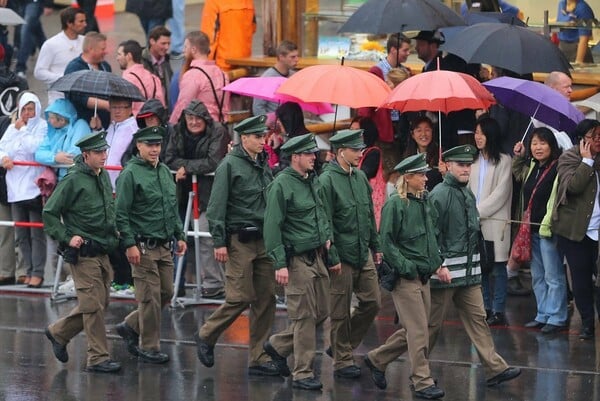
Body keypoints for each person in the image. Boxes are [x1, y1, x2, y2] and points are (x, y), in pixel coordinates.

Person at [428, 145, 521, 386]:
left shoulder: (467, 193)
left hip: (469, 275)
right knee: (429, 327)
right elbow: (430, 234)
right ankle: (389, 362)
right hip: (446, 275)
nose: (466, 168)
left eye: (468, 164)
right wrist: (438, 265)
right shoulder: (439, 194)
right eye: (460, 164)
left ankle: (494, 369)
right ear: (447, 165)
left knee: (479, 320)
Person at [194, 115, 279, 376]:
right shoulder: (229, 165)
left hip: (263, 238)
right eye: (256, 137)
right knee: (240, 296)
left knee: (266, 298)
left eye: (262, 136)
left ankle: (259, 357)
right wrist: (219, 241)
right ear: (244, 138)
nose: (262, 141)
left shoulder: (262, 164)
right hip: (239, 240)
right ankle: (207, 334)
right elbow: (217, 206)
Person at [262, 133, 341, 390]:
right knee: (304, 316)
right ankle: (303, 373)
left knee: (322, 311)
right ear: (295, 156)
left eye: (314, 154)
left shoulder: (312, 180)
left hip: (317, 255)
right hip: (296, 259)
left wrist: (327, 238)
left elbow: (322, 213)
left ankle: (278, 345)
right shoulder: (282, 185)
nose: (314, 159)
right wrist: (279, 263)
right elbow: (272, 226)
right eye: (309, 154)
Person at [364, 153, 444, 400]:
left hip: (423, 275)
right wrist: (406, 267)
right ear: (407, 177)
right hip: (406, 277)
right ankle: (422, 380)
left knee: (419, 328)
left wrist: (436, 264)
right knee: (419, 330)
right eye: (420, 174)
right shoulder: (395, 205)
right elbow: (386, 243)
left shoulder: (424, 201)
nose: (425, 178)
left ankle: (378, 359)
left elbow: (431, 236)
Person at [43, 131, 121, 373]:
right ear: (85, 155)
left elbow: (109, 210)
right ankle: (97, 357)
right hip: (83, 252)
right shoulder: (73, 180)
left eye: (104, 151)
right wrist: (68, 237)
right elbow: (49, 213)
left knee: (101, 302)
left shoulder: (103, 176)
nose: (103, 156)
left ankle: (58, 332)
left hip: (102, 251)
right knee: (93, 305)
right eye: (98, 152)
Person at [114, 126, 187, 364]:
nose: (155, 149)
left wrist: (180, 235)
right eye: (149, 145)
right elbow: (121, 213)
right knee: (150, 297)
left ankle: (130, 325)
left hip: (164, 244)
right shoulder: (130, 174)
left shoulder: (165, 171)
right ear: (139, 146)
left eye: (158, 145)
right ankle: (149, 347)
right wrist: (129, 244)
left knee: (166, 291)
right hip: (142, 244)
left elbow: (171, 207)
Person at [319, 129, 382, 380]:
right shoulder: (327, 180)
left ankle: (340, 346)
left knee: (373, 301)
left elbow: (368, 216)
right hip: (341, 255)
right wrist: (331, 255)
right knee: (340, 310)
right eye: (355, 150)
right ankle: (342, 361)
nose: (360, 154)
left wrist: (376, 247)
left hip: (362, 251)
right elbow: (325, 221)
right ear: (340, 151)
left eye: (360, 149)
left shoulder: (359, 179)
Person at [164, 100, 229, 298]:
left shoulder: (218, 131)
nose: (193, 122)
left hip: (209, 193)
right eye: (190, 118)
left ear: (205, 118)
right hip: (182, 192)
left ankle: (213, 284)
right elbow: (169, 158)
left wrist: (187, 168)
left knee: (206, 236)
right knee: (179, 238)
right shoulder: (177, 130)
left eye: (197, 118)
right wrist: (186, 166)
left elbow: (214, 161)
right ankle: (177, 283)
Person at [513, 127, 567, 334]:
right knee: (537, 275)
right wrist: (519, 157)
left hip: (549, 230)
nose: (537, 147)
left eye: (542, 143)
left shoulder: (558, 167)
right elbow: (517, 175)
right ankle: (543, 313)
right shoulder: (533, 166)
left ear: (551, 146)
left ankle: (557, 316)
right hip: (531, 230)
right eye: (534, 143)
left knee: (553, 276)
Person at [552, 119, 600, 340]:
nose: (597, 140)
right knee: (580, 281)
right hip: (575, 232)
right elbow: (573, 187)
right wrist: (587, 162)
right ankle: (588, 324)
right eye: (593, 136)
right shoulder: (569, 157)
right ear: (582, 140)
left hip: (597, 232)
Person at [468, 117, 512, 326]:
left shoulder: (504, 160)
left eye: (482, 133)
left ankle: (498, 309)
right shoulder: (473, 161)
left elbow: (501, 194)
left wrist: (476, 211)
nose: (478, 137)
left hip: (495, 222)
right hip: (476, 222)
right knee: (482, 268)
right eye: (476, 132)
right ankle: (485, 307)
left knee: (498, 267)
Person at [0, 92, 47, 288]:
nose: (27, 113)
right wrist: (4, 158)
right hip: (15, 188)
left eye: (31, 109)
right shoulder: (13, 127)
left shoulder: (42, 127)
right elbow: (3, 148)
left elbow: (34, 149)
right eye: (24, 109)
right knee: (21, 234)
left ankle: (38, 271)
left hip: (34, 187)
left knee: (36, 233)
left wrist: (23, 131)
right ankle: (27, 270)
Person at [358, 34, 411, 179]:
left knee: (401, 170)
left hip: (402, 128)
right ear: (393, 49)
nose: (408, 53)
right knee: (390, 172)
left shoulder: (406, 71)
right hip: (383, 131)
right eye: (405, 50)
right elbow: (367, 106)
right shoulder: (377, 72)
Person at [170, 31, 230, 124]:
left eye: (185, 47)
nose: (183, 50)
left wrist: (171, 125)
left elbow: (183, 106)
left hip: (200, 130)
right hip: (220, 128)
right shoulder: (222, 74)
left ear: (193, 50)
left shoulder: (192, 75)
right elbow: (225, 108)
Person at [34, 7, 86, 106]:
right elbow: (39, 72)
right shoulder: (51, 44)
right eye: (81, 21)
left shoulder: (85, 41)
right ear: (69, 23)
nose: (85, 24)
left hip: (82, 99)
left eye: (85, 21)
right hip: (59, 100)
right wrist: (63, 77)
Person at [64, 32, 111, 130]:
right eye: (102, 49)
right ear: (90, 49)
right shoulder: (74, 68)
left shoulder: (105, 66)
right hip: (82, 125)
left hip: (105, 125)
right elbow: (77, 97)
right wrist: (107, 105)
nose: (106, 52)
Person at [34, 98, 90, 180]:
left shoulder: (80, 125)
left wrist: (51, 159)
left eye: (51, 118)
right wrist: (55, 157)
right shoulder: (53, 132)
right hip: (60, 182)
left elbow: (74, 156)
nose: (48, 120)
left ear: (62, 120)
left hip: (76, 180)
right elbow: (38, 154)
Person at [200, 0, 256, 71]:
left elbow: (208, 40)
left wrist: (205, 68)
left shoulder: (213, 2)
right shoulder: (248, 2)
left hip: (221, 66)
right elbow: (253, 28)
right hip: (245, 64)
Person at [116, 40, 165, 116]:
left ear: (129, 56)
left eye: (119, 54)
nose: (117, 58)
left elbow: (123, 107)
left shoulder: (127, 79)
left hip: (134, 123)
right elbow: (161, 104)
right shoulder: (153, 78)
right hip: (151, 121)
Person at [252, 40, 299, 117]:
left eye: (297, 56)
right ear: (281, 57)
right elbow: (258, 108)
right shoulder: (267, 78)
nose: (297, 60)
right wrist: (269, 125)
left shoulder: (294, 76)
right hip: (274, 124)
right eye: (292, 57)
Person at [401, 116, 444, 193]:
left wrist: (445, 174)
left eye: (427, 130)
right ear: (413, 135)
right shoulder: (408, 157)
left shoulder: (441, 155)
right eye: (419, 130)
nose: (423, 134)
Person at [14, 0, 53, 79]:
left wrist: (48, 4)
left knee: (26, 31)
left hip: (35, 2)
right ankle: (50, 55)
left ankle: (20, 66)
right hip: (21, 3)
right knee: (35, 29)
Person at [142, 26, 173, 107]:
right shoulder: (140, 61)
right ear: (152, 41)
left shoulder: (168, 60)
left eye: (168, 44)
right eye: (163, 43)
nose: (167, 47)